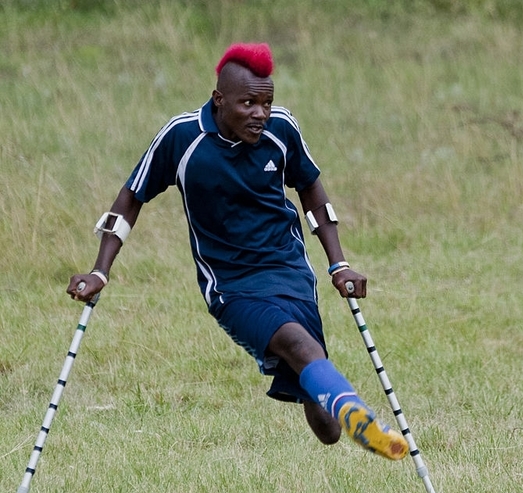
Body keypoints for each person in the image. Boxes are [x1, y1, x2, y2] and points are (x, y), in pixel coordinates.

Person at [66, 42, 408, 461]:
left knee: (325, 421)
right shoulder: (182, 138)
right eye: (248, 103)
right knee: (300, 347)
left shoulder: (281, 131)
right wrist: (100, 270)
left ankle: (342, 411)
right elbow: (130, 199)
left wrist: (339, 263)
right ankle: (358, 413)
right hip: (231, 285)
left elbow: (312, 193)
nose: (260, 113)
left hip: (289, 272)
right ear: (219, 100)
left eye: (266, 102)